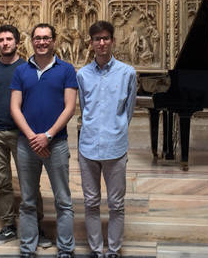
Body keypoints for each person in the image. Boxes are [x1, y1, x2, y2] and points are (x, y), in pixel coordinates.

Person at [10, 24, 78, 258]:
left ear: (54, 40)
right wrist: (32, 137)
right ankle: (28, 249)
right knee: (28, 200)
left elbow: (70, 107)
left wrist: (48, 136)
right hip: (26, 144)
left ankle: (66, 249)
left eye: (46, 38)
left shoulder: (66, 69)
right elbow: (14, 107)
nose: (41, 42)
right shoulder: (21, 70)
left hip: (56, 143)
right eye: (37, 38)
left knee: (63, 200)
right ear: (32, 41)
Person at [0, 25, 51, 248]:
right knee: (2, 183)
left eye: (9, 39)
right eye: (1, 39)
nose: (5, 43)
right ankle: (9, 226)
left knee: (29, 182)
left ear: (17, 42)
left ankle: (36, 228)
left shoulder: (28, 67)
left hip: (23, 133)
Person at [77, 21, 137, 258]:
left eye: (105, 38)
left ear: (113, 41)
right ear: (91, 44)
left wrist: (117, 129)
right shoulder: (82, 75)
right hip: (88, 146)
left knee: (116, 204)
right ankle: (95, 249)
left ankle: (113, 250)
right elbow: (83, 108)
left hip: (115, 146)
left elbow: (128, 109)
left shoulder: (127, 73)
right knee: (91, 202)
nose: (101, 43)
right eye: (96, 39)